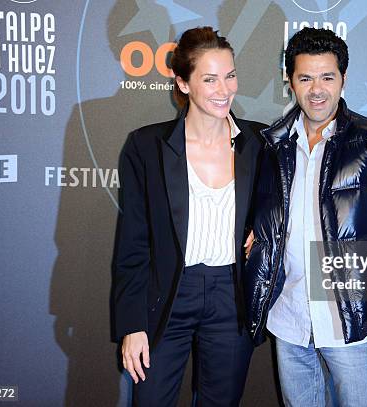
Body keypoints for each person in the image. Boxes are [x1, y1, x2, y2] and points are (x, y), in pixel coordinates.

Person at [243, 27, 367, 406]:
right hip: (289, 320)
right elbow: (268, 218)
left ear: (343, 79)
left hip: (353, 322)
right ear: (289, 81)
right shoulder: (274, 145)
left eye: (328, 77)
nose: (317, 90)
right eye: (305, 78)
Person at [113, 26, 265, 406]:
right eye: (209, 79)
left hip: (232, 297)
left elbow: (284, 207)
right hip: (166, 295)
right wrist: (132, 324)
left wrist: (262, 233)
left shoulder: (260, 143)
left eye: (230, 76)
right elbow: (133, 241)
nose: (224, 89)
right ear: (182, 83)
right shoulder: (146, 146)